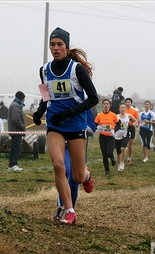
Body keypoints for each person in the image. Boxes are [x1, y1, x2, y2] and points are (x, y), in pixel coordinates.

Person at [33, 27, 99, 225]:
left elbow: (93, 98)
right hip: (54, 125)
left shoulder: (76, 69)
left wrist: (68, 113)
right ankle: (69, 210)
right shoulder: (44, 70)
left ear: (66, 46)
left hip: (75, 125)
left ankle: (86, 175)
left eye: (59, 44)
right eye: (52, 45)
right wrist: (39, 111)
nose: (55, 48)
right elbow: (46, 96)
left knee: (77, 176)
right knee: (58, 165)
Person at [53, 108, 96, 223]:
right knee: (63, 171)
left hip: (79, 145)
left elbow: (92, 127)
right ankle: (62, 208)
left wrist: (75, 129)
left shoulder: (82, 104)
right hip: (64, 146)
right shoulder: (60, 103)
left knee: (75, 179)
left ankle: (71, 210)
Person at [95, 99, 119, 175]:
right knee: (104, 154)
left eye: (107, 104)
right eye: (104, 104)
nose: (106, 105)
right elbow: (95, 124)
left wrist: (114, 130)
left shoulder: (113, 115)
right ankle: (107, 171)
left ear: (109, 105)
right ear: (102, 105)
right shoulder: (99, 115)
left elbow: (120, 125)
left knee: (109, 152)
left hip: (110, 137)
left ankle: (112, 157)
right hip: (102, 137)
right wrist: (97, 128)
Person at [114, 103, 137, 171]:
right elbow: (112, 123)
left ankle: (122, 163)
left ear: (125, 109)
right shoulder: (116, 116)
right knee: (118, 151)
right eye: (121, 108)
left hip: (125, 134)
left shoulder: (128, 116)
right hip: (117, 135)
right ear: (119, 109)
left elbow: (135, 120)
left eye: (123, 108)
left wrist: (132, 125)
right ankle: (119, 163)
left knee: (123, 149)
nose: (122, 109)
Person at [8, 91, 26, 171]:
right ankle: (14, 164)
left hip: (14, 130)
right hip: (16, 130)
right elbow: (16, 119)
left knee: (14, 148)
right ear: (21, 98)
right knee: (17, 148)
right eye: (24, 98)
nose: (24, 99)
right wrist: (22, 127)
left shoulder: (15, 104)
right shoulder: (16, 106)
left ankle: (11, 165)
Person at [124, 98, 139, 164]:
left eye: (129, 102)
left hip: (131, 128)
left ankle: (129, 158)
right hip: (124, 128)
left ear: (131, 103)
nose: (127, 103)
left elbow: (137, 120)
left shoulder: (134, 111)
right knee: (123, 144)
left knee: (130, 145)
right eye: (126, 102)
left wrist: (134, 124)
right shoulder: (123, 110)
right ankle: (122, 158)